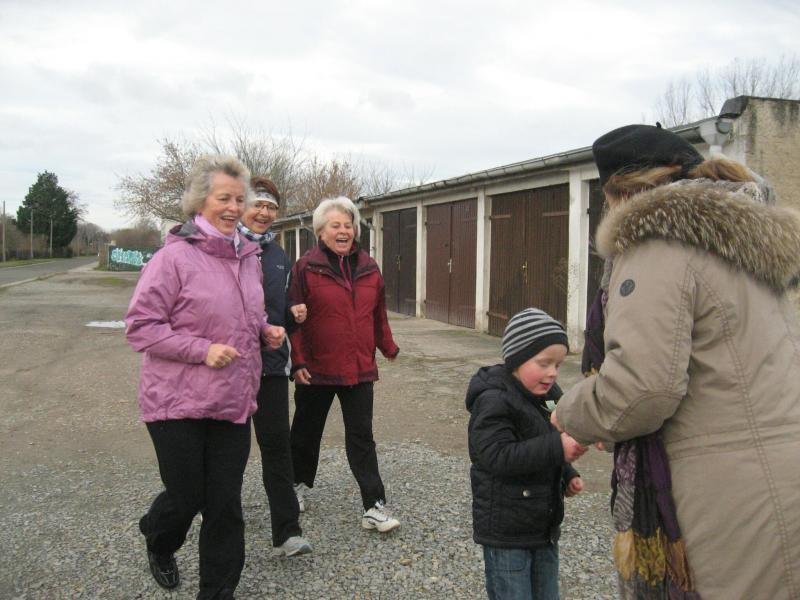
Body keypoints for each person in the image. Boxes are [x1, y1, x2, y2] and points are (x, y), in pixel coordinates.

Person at [551, 124, 800, 599]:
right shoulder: (737, 242)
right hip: (780, 476)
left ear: (620, 192)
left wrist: (572, 412)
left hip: (728, 495)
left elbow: (643, 389)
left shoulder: (658, 242)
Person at [125, 155, 285, 599]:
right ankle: (158, 538)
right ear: (200, 202)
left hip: (232, 399)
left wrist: (264, 331)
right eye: (223, 199)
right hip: (176, 403)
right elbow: (141, 327)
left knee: (225, 504)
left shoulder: (248, 257)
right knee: (187, 495)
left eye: (239, 199)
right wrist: (201, 350)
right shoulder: (172, 259)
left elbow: (245, 315)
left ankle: (217, 592)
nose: (234, 207)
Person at [287, 196, 401, 533]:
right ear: (321, 232)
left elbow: (378, 314)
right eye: (335, 225)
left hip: (358, 368)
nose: (343, 231)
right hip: (316, 368)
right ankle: (295, 486)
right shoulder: (305, 268)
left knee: (362, 437)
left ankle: (373, 505)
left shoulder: (369, 267)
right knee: (305, 433)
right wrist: (297, 361)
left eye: (348, 225)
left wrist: (387, 345)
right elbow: (293, 319)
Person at [466, 308, 586, 600]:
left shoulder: (549, 395)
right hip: (506, 532)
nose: (552, 372)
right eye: (544, 363)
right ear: (516, 359)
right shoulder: (494, 399)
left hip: (542, 527)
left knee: (547, 592)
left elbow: (548, 439)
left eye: (558, 364)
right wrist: (558, 449)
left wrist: (567, 472)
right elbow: (496, 455)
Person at [237, 176, 312, 557]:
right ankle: (221, 516)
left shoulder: (279, 256)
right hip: (230, 368)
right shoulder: (224, 249)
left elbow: (279, 311)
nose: (264, 213)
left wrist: (293, 314)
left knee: (277, 448)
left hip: (270, 367)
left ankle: (287, 531)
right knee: (230, 453)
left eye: (271, 207)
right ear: (241, 206)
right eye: (258, 204)